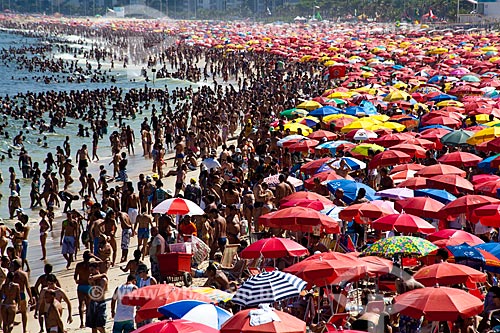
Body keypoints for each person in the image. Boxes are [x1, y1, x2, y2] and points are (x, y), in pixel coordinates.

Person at [74, 251, 102, 328]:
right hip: (89, 286)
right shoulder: (92, 265)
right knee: (88, 305)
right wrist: (94, 256)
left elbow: (75, 276)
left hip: (81, 286)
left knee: (80, 305)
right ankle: (87, 321)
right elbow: (101, 262)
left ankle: (82, 322)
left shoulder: (79, 265)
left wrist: (77, 281)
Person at [12, 258, 33, 333]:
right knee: (23, 313)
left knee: (12, 313)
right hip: (21, 294)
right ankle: (24, 329)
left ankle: (8, 328)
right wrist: (30, 297)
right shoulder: (24, 274)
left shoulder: (12, 274)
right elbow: (27, 287)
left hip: (13, 295)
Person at [86, 262, 108, 333]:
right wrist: (101, 274)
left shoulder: (103, 280)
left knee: (100, 326)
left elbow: (99, 292)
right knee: (93, 326)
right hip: (92, 302)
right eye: (90, 270)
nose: (91, 272)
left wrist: (101, 275)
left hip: (100, 303)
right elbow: (90, 279)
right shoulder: (93, 279)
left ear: (97, 269)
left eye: (92, 270)